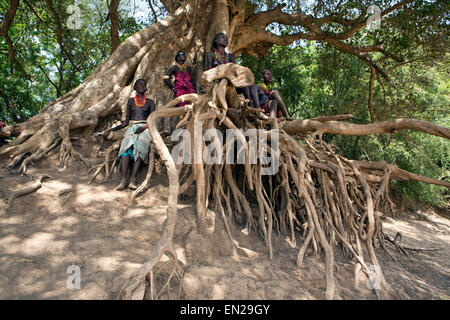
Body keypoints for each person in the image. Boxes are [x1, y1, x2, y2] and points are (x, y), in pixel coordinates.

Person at [106, 78, 156, 190]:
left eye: (144, 84)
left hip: (145, 128)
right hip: (132, 127)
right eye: (140, 84)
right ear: (136, 88)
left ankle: (133, 179)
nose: (143, 86)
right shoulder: (130, 102)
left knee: (140, 146)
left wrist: (144, 127)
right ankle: (123, 180)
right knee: (126, 148)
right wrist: (113, 129)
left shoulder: (150, 102)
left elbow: (153, 120)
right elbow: (126, 122)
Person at [206, 32, 261, 108]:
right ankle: (250, 105)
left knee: (250, 83)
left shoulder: (230, 56)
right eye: (223, 37)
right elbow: (209, 70)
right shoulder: (211, 54)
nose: (225, 39)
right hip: (220, 84)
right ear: (216, 40)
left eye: (226, 38)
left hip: (233, 82)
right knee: (245, 86)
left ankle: (256, 107)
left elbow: (236, 71)